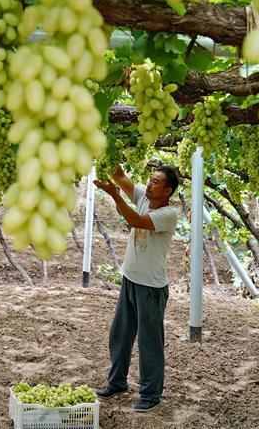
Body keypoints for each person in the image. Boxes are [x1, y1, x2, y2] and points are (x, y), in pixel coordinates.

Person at [93, 163, 180, 413]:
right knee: (120, 334)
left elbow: (135, 220)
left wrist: (114, 195)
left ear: (167, 191)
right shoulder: (144, 196)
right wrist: (105, 147)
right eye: (150, 180)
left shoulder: (168, 214)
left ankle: (151, 394)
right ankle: (117, 382)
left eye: (155, 182)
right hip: (130, 279)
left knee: (149, 342)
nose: (149, 184)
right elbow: (119, 175)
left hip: (151, 287)